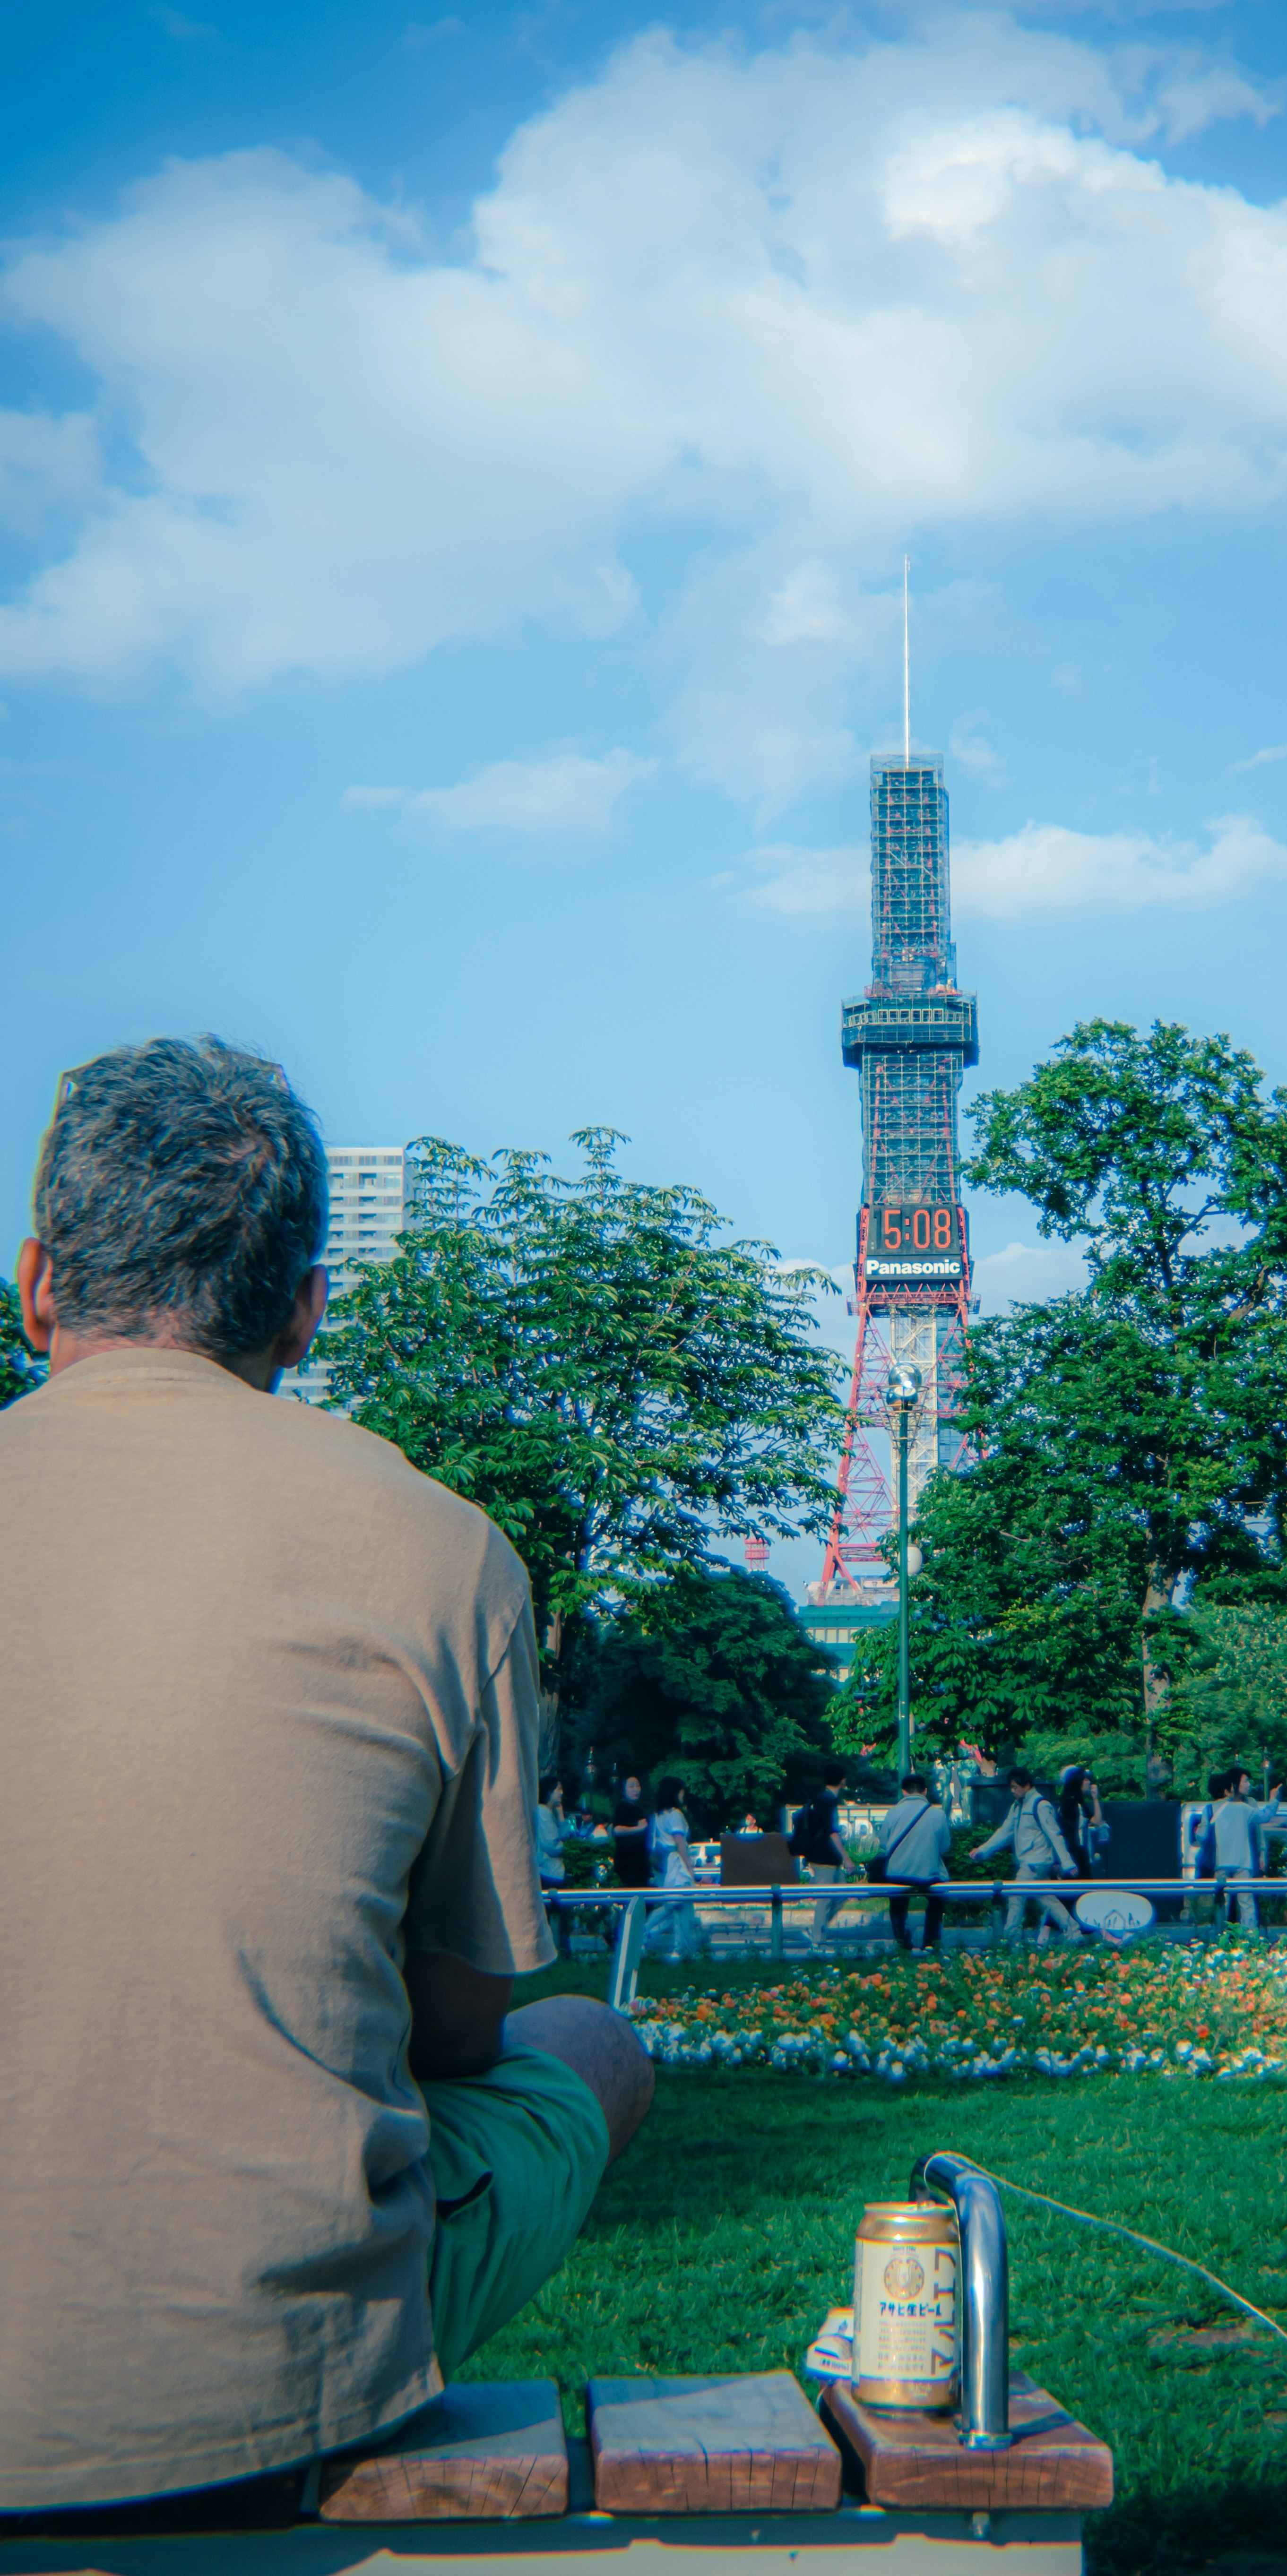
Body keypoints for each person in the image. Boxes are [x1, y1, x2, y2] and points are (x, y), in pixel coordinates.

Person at [0, 1036, 652, 2516]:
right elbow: (464, 2026)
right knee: (595, 2045)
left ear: (38, 1283)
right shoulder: (440, 1546)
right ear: (302, 1311)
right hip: (256, 2382)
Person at [974, 1768, 1083, 1945]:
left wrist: (1067, 1863)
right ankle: (1074, 1932)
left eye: (1015, 1787)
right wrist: (983, 1850)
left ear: (1027, 1786)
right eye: (1011, 1787)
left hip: (1034, 1863)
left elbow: (1055, 1835)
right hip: (1036, 1863)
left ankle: (1010, 1938)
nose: (1013, 1791)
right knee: (1047, 1899)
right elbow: (1005, 1832)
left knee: (1016, 1896)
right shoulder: (1017, 1806)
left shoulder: (1040, 1805)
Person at [1195, 1768, 1287, 1930]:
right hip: (1242, 1862)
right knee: (1246, 1903)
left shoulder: (1209, 1809)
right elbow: (1265, 1816)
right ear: (1228, 1789)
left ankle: (1220, 1935)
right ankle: (1249, 1936)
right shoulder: (1244, 1808)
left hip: (1220, 1863)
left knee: (1221, 1900)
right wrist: (1273, 1799)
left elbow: (1202, 1837)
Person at [875, 1775, 953, 1953]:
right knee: (937, 1901)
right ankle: (931, 1943)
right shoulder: (938, 1814)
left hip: (897, 1871)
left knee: (898, 1904)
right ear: (925, 1791)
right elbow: (945, 1845)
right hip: (929, 1873)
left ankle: (904, 1944)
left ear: (904, 1792)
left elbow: (884, 1842)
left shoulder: (893, 1812)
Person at [790, 1772, 852, 1947]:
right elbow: (833, 1833)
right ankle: (817, 1938)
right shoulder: (827, 1801)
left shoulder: (821, 1800)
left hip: (826, 1858)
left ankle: (817, 1928)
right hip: (823, 1858)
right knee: (825, 1899)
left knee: (842, 1894)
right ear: (842, 1780)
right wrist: (846, 1859)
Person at [645, 1779, 704, 1959]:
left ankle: (646, 1933)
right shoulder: (676, 1814)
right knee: (681, 1906)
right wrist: (691, 1868)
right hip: (676, 1866)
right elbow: (680, 1843)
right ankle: (681, 1947)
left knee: (671, 1906)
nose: (683, 1795)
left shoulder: (658, 1815)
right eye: (681, 1791)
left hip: (663, 1866)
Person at [536, 1775, 572, 1959]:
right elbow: (553, 1845)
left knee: (560, 1913)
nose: (561, 1793)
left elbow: (564, 1835)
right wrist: (565, 1848)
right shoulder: (542, 1813)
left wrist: (561, 1816)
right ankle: (560, 1951)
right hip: (548, 1871)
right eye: (558, 1789)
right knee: (558, 1913)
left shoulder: (550, 1814)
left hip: (554, 1871)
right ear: (549, 1791)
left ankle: (560, 1951)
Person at [1056, 1764, 1103, 1878]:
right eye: (1085, 1779)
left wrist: (1095, 1798)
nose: (1089, 1782)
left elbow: (1097, 1821)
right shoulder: (1070, 1803)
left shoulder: (1078, 1803)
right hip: (1075, 1855)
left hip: (1079, 1854)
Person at [611, 1774, 651, 1888]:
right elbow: (617, 1830)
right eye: (632, 1787)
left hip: (640, 1862)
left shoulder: (638, 1808)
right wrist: (638, 1828)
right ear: (624, 1790)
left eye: (638, 1786)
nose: (636, 1789)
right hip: (629, 1863)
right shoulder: (623, 1807)